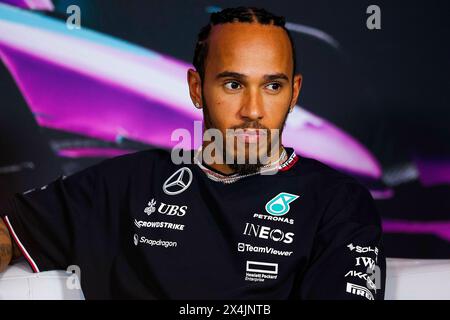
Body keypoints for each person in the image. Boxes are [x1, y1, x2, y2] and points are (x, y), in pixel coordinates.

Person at [0, 6, 385, 299]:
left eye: (272, 86)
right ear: (197, 88)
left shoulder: (337, 203)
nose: (252, 109)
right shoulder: (124, 185)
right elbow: (8, 232)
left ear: (294, 93)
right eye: (233, 84)